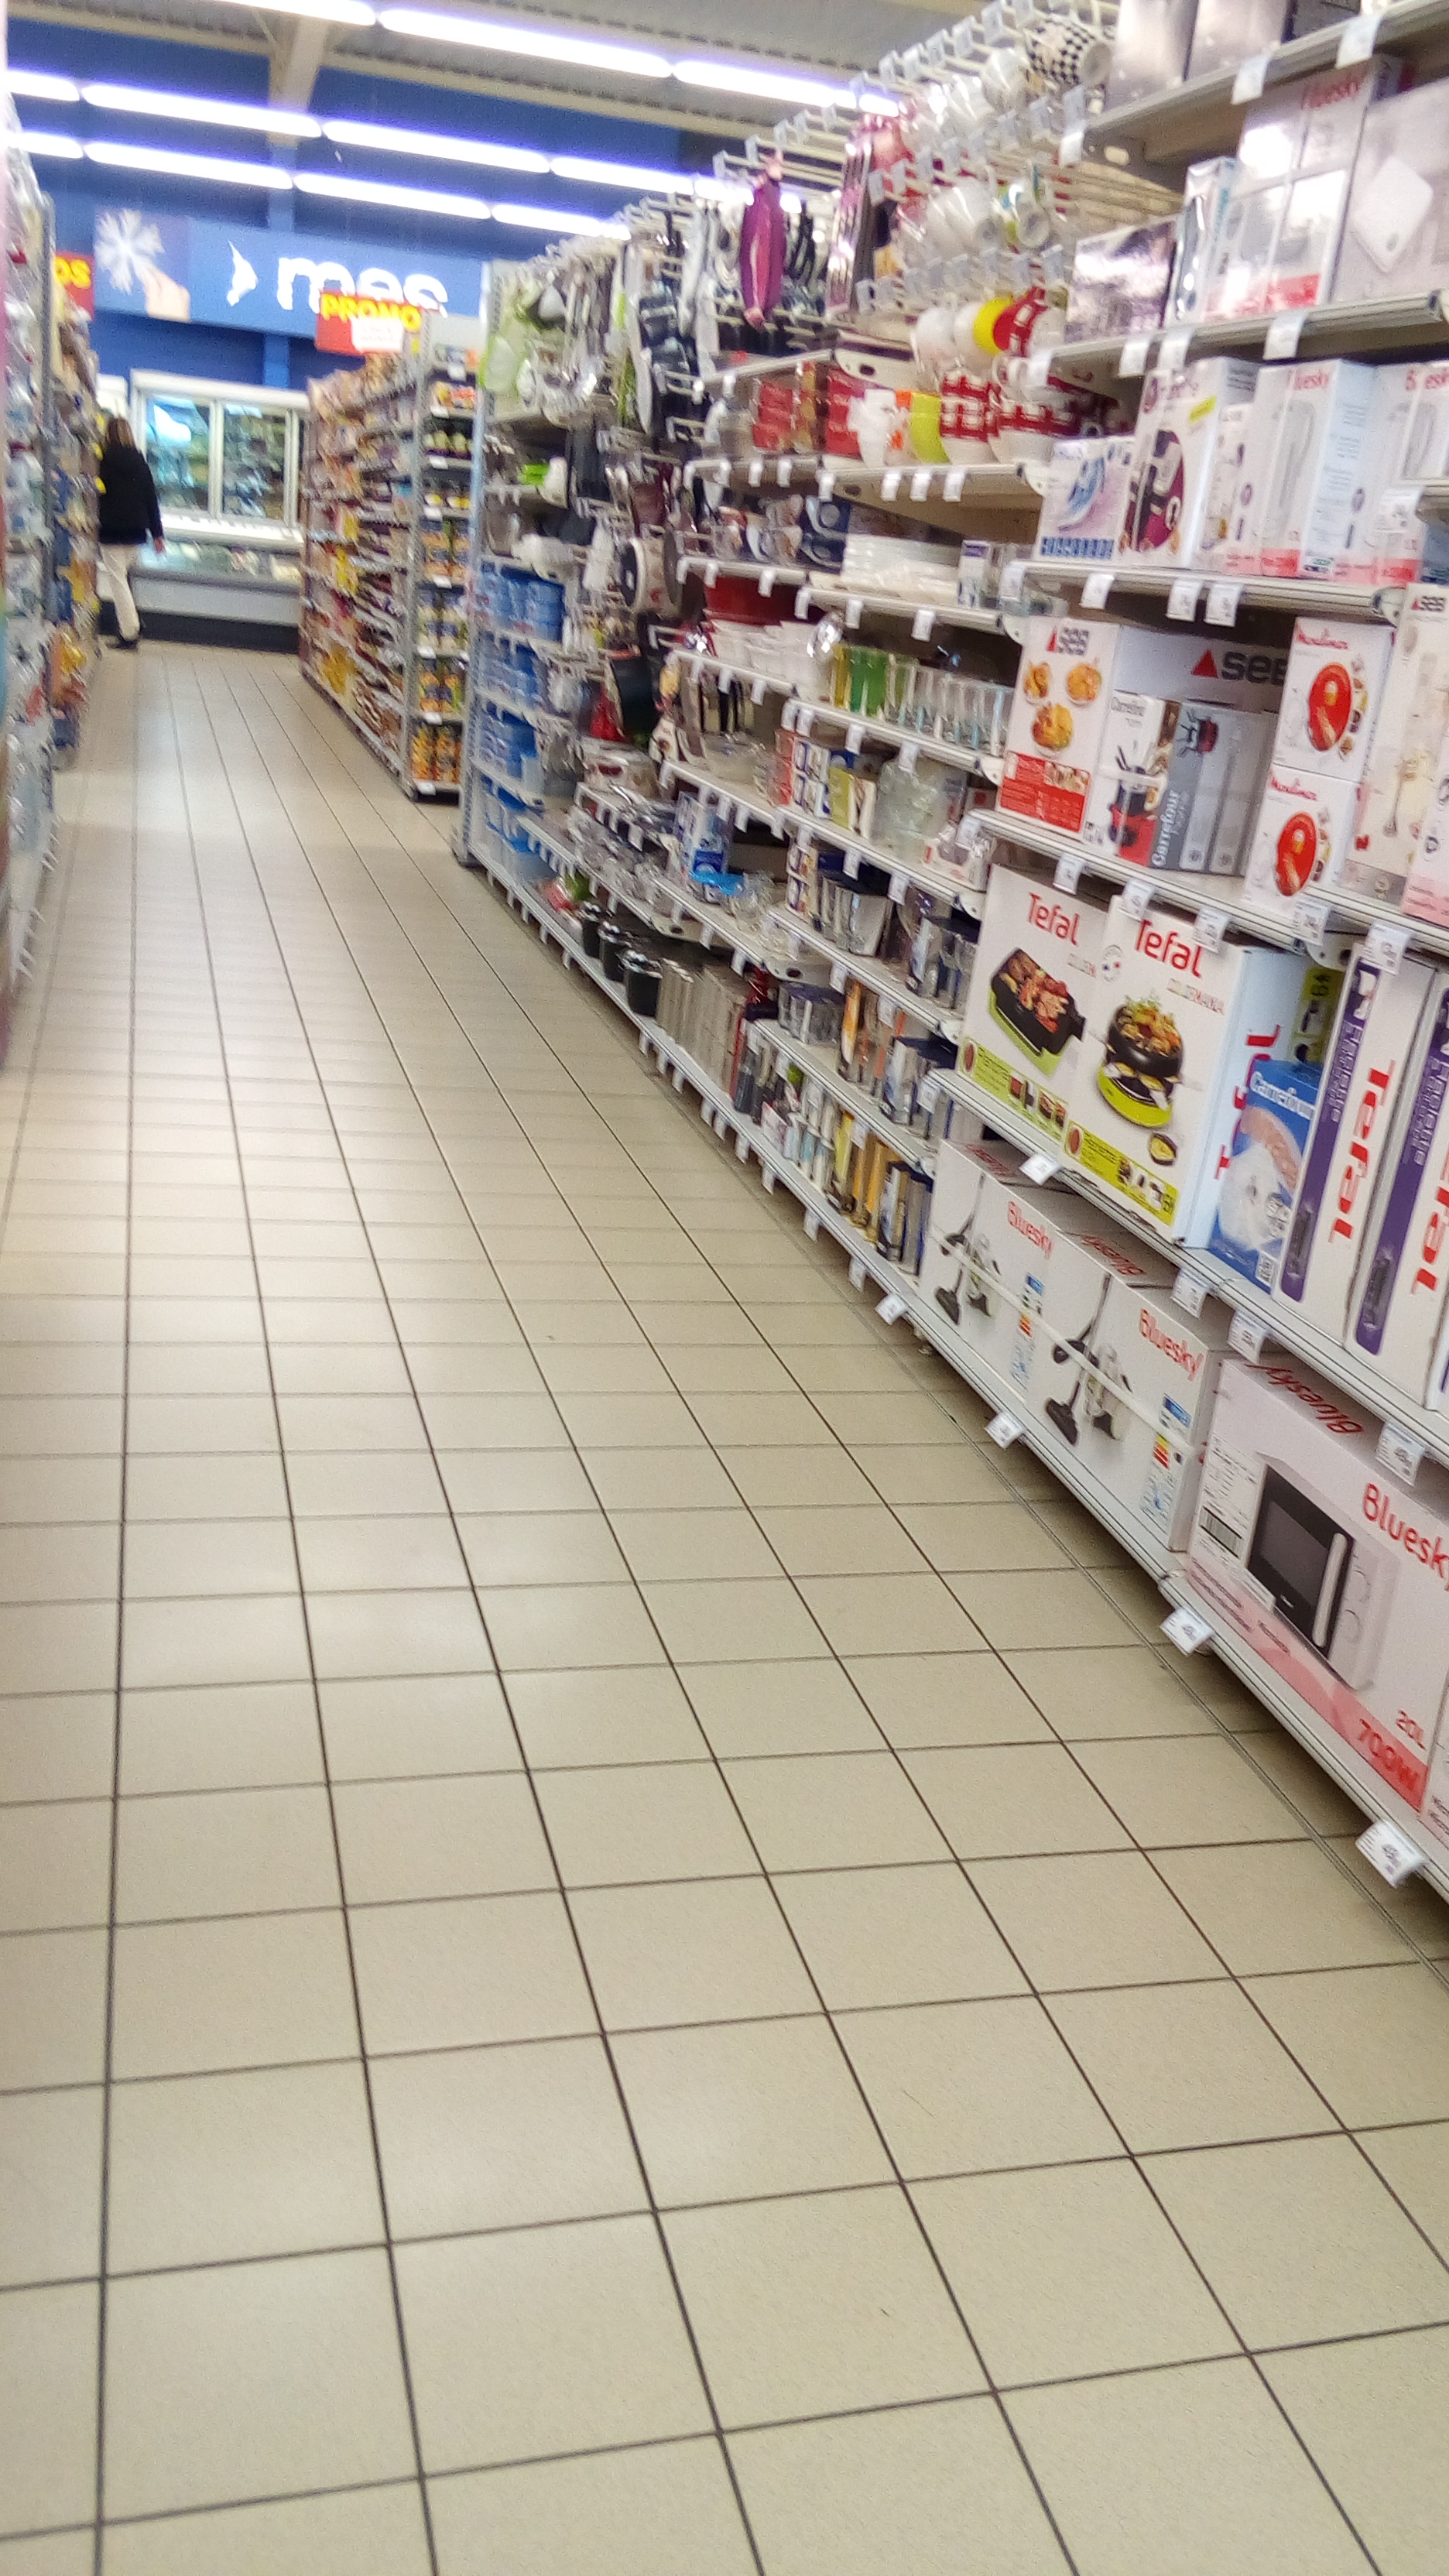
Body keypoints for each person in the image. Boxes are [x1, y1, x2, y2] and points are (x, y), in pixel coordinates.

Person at [98, 417, 163, 649]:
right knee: (124, 579)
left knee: (118, 581)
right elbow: (151, 497)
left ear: (108, 435)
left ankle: (130, 631)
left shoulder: (103, 461)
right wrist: (157, 533)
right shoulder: (140, 461)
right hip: (136, 531)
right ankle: (132, 622)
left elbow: (96, 494)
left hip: (111, 530)